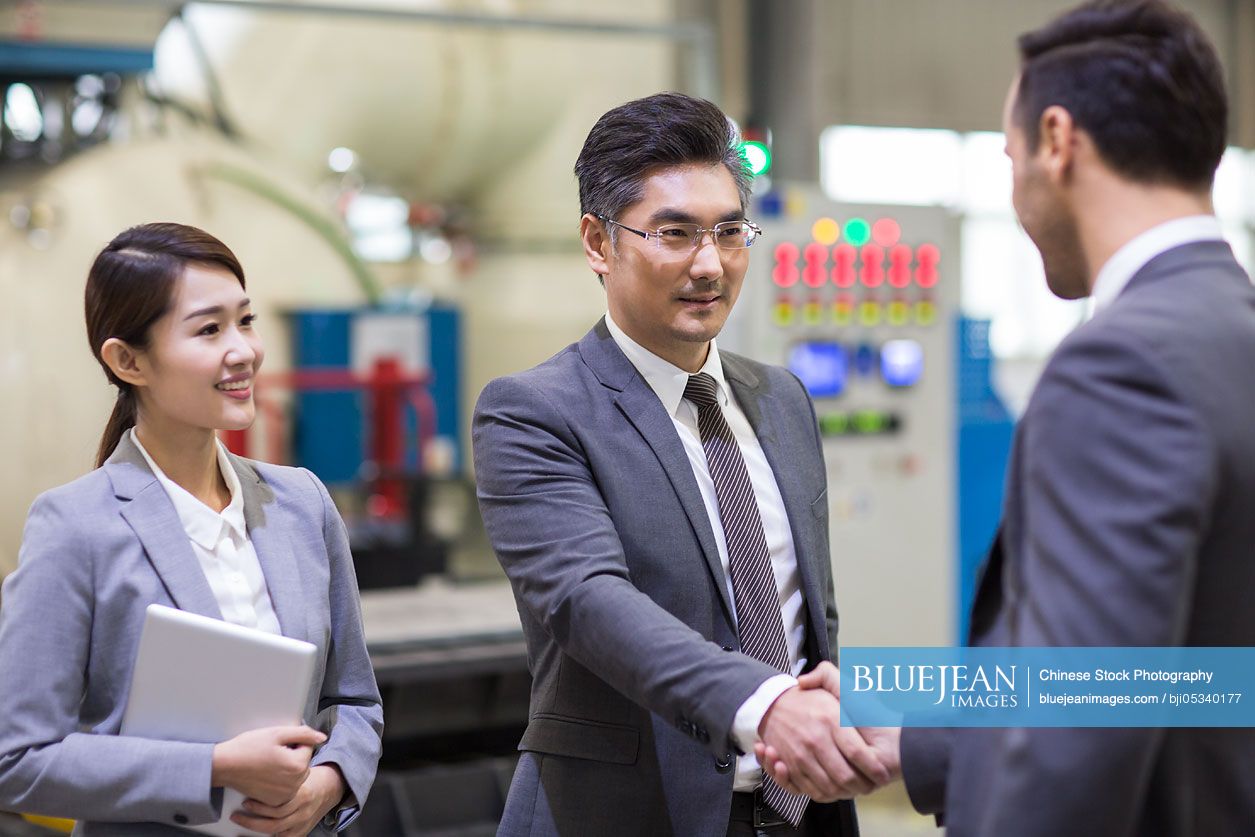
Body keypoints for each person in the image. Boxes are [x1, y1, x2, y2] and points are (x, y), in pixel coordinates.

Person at [762, 1, 1255, 834]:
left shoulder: (1120, 365)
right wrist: (913, 719)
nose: (1015, 187)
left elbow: (1079, 733)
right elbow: (1190, 672)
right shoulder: (1229, 333)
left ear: (1056, 141)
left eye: (1007, 155)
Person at [472, 92, 895, 837]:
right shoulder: (535, 410)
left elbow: (806, 617)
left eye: (730, 232)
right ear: (598, 242)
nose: (710, 264)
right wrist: (767, 703)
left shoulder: (783, 399)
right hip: (630, 816)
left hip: (801, 811)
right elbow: (588, 601)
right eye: (675, 233)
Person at [0, 223, 384, 836]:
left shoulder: (302, 503)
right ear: (128, 361)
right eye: (208, 329)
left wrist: (327, 784)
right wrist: (213, 766)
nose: (244, 351)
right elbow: (18, 759)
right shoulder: (75, 526)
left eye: (246, 321)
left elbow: (356, 703)